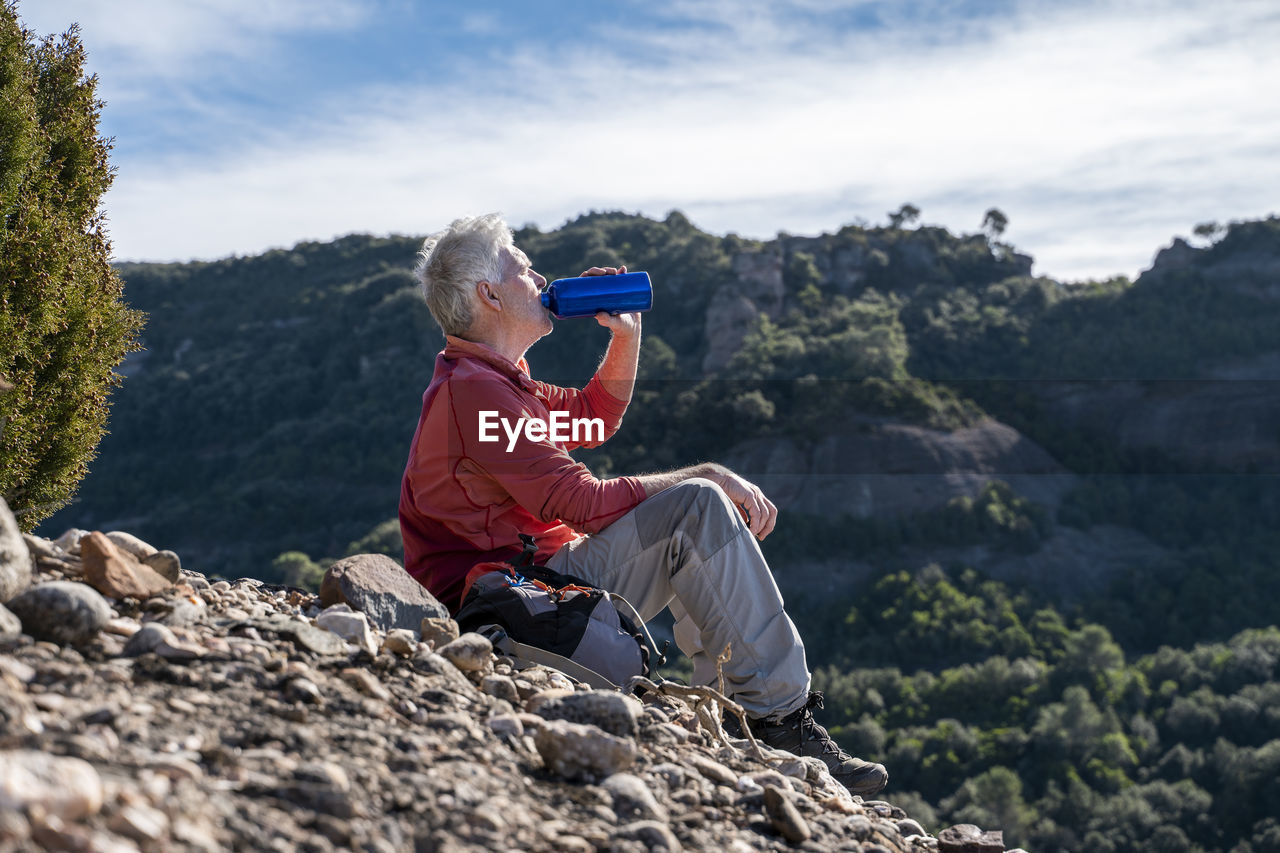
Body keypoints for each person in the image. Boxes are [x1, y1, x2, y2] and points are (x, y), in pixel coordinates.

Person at [398, 213, 888, 796]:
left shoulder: (496, 382)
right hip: (505, 598)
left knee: (692, 514)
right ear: (490, 294)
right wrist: (703, 473)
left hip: (534, 580)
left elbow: (592, 416)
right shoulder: (476, 395)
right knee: (696, 506)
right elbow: (576, 501)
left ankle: (747, 709)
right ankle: (775, 719)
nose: (540, 278)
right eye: (525, 269)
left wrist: (625, 336)